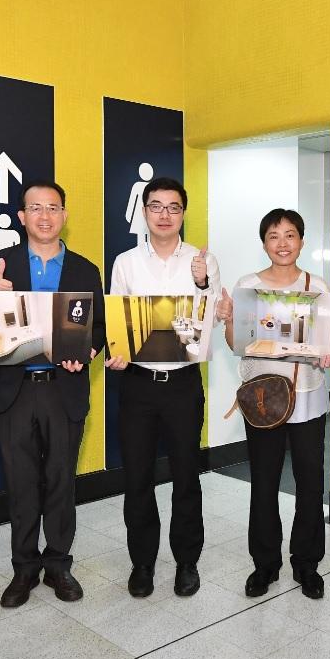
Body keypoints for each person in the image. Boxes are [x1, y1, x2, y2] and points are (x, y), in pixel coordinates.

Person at [0, 180, 105, 607]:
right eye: (36, 208)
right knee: (20, 484)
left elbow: (99, 327)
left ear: (64, 215)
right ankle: (23, 568)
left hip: (63, 389)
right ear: (22, 217)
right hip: (13, 389)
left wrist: (87, 351)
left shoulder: (85, 269)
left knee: (60, 480)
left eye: (53, 207)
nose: (45, 216)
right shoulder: (0, 266)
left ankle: (58, 565)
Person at [105, 176, 225, 598]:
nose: (165, 214)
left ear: (183, 213)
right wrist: (117, 351)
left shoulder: (203, 261)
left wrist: (204, 284)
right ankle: (142, 562)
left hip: (183, 385)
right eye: (156, 206)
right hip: (138, 385)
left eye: (174, 207)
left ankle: (187, 561)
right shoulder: (125, 262)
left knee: (186, 476)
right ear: (145, 212)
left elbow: (215, 320)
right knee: (137, 476)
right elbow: (117, 321)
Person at [222, 209, 330, 600]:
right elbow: (236, 344)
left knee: (310, 482)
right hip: (263, 397)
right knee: (264, 482)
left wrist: (327, 353)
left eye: (290, 235)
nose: (282, 243)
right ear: (264, 243)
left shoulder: (317, 286)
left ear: (301, 241)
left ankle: (307, 563)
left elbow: (326, 341)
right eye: (274, 236)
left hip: (308, 396)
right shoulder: (248, 286)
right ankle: (265, 564)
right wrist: (228, 320)